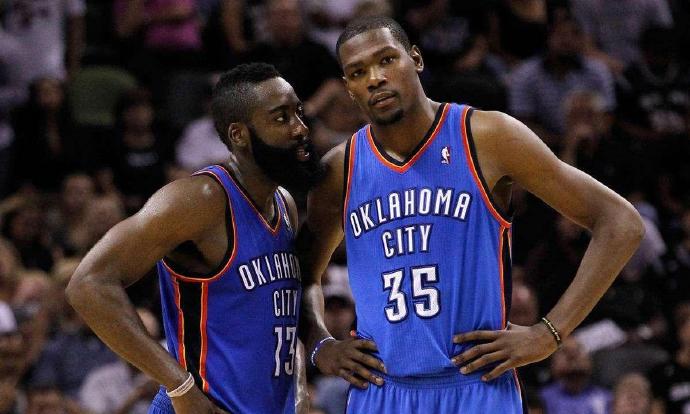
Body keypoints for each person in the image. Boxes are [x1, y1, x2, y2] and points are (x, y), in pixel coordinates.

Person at [297, 16, 644, 413]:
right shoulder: (339, 170)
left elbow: (621, 223)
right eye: (358, 72)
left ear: (416, 59)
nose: (375, 78)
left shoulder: (487, 136)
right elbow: (302, 274)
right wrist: (320, 343)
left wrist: (549, 333)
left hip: (476, 388)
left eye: (387, 60)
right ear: (348, 88)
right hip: (381, 392)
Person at [66, 63, 355, 414]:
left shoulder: (284, 203)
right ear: (239, 135)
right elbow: (88, 284)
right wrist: (178, 385)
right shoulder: (201, 199)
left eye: (298, 112)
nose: (300, 128)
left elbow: (291, 302)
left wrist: (304, 375)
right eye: (281, 118)